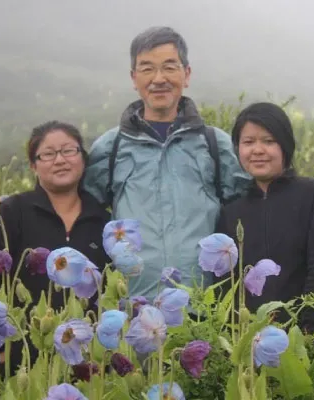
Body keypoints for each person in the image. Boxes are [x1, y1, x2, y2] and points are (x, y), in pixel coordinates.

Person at [82, 26, 252, 301]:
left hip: (203, 307)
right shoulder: (110, 147)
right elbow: (75, 209)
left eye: (169, 67)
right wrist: (11, 208)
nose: (158, 79)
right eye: (147, 68)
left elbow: (258, 201)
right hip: (133, 307)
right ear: (133, 78)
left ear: (186, 74)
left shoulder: (214, 144)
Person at [0, 120, 111, 377]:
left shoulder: (102, 221)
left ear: (83, 158)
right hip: (22, 365)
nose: (60, 160)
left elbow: (109, 290)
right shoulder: (13, 212)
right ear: (33, 165)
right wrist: (1, 353)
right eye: (48, 154)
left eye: (69, 151)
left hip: (87, 364)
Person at [215, 102, 314, 334]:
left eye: (268, 141)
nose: (257, 150)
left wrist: (310, 330)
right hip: (250, 343)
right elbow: (226, 284)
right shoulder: (231, 212)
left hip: (303, 336)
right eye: (248, 142)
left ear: (285, 145)